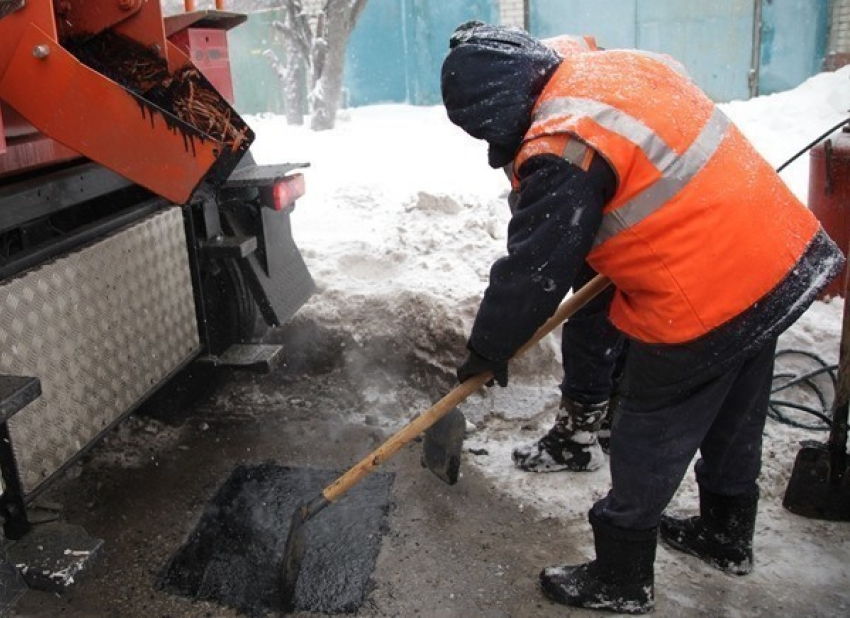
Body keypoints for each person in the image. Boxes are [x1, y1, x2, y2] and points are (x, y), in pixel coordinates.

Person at [443, 21, 845, 614]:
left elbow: (534, 268)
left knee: (648, 423)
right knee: (735, 412)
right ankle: (726, 533)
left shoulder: (563, 147)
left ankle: (621, 575)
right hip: (778, 257)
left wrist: (489, 347)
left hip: (707, 290)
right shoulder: (613, 69)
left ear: (503, 107)